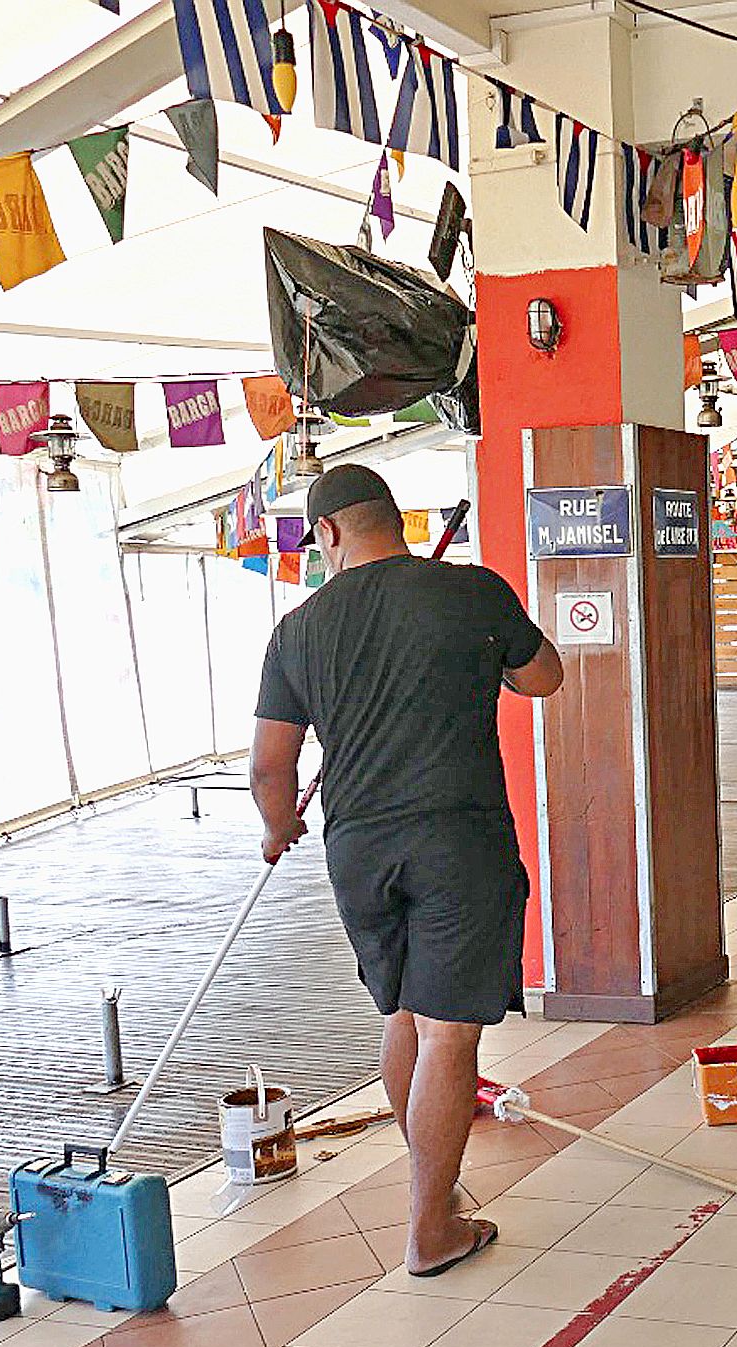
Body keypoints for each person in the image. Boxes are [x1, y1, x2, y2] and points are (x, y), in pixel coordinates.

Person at [249, 464, 563, 1273]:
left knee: (403, 1018)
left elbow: (269, 767)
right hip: (458, 841)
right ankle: (431, 1227)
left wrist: (279, 826)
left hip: (358, 850)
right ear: (397, 519)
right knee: (447, 1032)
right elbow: (545, 676)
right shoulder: (471, 592)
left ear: (328, 533)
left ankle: (437, 1190)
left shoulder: (298, 630)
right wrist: (485, 660)